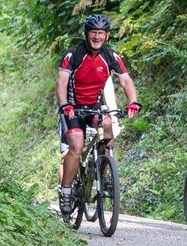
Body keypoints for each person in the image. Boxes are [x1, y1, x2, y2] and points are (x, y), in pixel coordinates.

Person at [56, 14, 141, 211]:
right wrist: (64, 104)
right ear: (86, 34)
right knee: (76, 146)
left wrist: (133, 102)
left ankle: (104, 172)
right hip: (73, 108)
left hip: (94, 107)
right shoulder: (73, 55)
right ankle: (67, 191)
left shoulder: (111, 56)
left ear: (107, 35)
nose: (97, 37)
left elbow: (126, 80)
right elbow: (61, 82)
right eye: (93, 32)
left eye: (101, 33)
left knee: (108, 124)